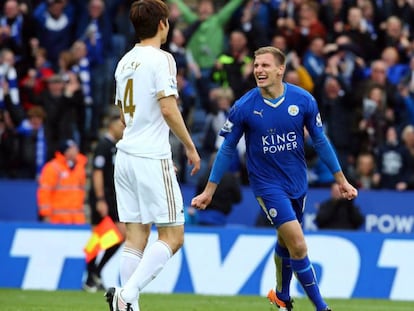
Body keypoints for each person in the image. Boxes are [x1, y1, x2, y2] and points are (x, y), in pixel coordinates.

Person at [191, 46, 358, 311]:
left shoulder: (303, 100)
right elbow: (226, 149)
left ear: (281, 70)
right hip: (266, 185)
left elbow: (320, 141)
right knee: (299, 244)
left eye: (265, 65)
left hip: (296, 182)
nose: (259, 70)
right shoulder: (244, 106)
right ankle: (322, 307)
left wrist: (342, 179)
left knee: (285, 241)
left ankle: (281, 296)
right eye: (257, 66)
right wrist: (209, 190)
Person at [104, 1, 201, 311]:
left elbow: (121, 115)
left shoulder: (124, 61)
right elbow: (167, 106)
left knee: (136, 236)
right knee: (173, 236)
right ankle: (126, 294)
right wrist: (189, 146)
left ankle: (128, 305)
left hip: (126, 155)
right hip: (150, 155)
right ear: (162, 24)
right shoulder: (162, 59)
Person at [83, 111, 126, 293]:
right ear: (111, 125)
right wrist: (100, 199)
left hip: (112, 197)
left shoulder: (115, 146)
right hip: (103, 198)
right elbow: (97, 173)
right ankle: (92, 275)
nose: (123, 128)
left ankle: (95, 274)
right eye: (121, 125)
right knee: (102, 237)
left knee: (113, 236)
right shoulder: (103, 145)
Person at [37, 139, 87, 224]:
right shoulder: (52, 168)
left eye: (75, 148)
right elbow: (45, 192)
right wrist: (46, 215)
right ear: (65, 152)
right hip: (58, 219)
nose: (75, 151)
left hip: (77, 219)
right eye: (71, 148)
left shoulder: (80, 168)